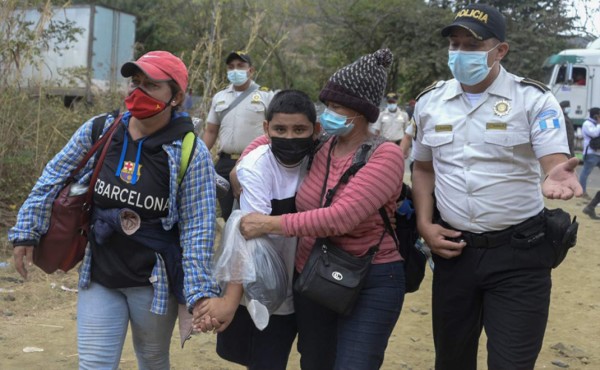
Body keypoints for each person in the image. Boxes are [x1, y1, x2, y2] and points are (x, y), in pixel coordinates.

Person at [9, 51, 221, 369]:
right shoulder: (101, 130)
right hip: (100, 271)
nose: (138, 91)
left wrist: (199, 292)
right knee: (94, 363)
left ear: (177, 97)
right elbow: (53, 177)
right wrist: (27, 230)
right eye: (135, 82)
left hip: (154, 282)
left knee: (151, 359)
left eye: (150, 85)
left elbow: (198, 227)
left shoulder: (190, 151)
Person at [411, 4, 582, 370]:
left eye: (472, 46)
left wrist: (555, 173)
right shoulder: (430, 102)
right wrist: (425, 224)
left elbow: (553, 159)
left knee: (511, 363)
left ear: (499, 50)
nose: (459, 54)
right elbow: (423, 168)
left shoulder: (533, 99)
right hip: (454, 253)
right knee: (452, 361)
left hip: (519, 254)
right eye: (454, 44)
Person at [235, 49, 405, 370]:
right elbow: (269, 139)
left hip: (370, 276)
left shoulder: (385, 156)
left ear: (361, 113)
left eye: (338, 107)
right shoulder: (324, 143)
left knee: (355, 363)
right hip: (314, 275)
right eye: (327, 106)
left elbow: (341, 218)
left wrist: (269, 224)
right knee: (315, 361)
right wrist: (240, 166)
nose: (329, 113)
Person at [194, 89, 317, 370]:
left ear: (315, 130)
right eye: (280, 129)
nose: (289, 137)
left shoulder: (322, 159)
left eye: (299, 129)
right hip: (265, 289)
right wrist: (230, 300)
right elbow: (247, 233)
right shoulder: (256, 167)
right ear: (266, 128)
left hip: (312, 284)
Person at [201, 51, 274, 221]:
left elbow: (274, 129)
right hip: (225, 163)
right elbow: (211, 131)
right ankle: (229, 245)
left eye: (241, 66)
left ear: (251, 70)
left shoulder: (266, 96)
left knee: (250, 213)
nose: (235, 70)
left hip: (254, 163)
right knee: (227, 214)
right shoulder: (220, 97)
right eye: (231, 67)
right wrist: (198, 157)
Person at [578, 107, 600, 198]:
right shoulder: (587, 124)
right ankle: (582, 191)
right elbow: (594, 133)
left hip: (598, 152)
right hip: (591, 153)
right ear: (596, 116)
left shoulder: (596, 124)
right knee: (586, 172)